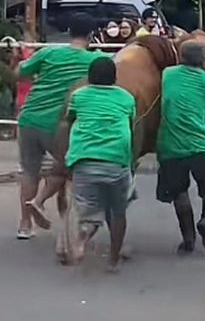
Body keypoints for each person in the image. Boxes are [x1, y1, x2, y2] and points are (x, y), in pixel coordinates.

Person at [16, 14, 106, 239]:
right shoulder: (94, 60)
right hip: (60, 124)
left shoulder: (49, 52)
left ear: (69, 32)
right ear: (91, 35)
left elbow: (19, 74)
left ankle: (25, 225)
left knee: (29, 172)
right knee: (67, 170)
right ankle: (54, 213)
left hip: (28, 118)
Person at [64, 58, 135, 272]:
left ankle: (82, 240)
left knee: (87, 210)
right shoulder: (126, 98)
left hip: (84, 160)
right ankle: (113, 260)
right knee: (118, 211)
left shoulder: (79, 96)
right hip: (117, 161)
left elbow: (69, 120)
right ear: (115, 77)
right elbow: (131, 124)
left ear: (89, 76)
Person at [156, 41, 205, 257]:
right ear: (202, 60)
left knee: (179, 194)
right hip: (202, 144)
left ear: (181, 57)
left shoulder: (168, 74)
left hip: (171, 146)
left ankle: (188, 240)